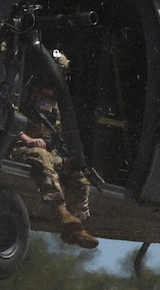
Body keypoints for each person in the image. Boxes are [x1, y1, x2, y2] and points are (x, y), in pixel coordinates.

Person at [11, 53, 98, 250]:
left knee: (79, 174)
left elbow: (58, 134)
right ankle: (61, 215)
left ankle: (76, 226)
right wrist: (28, 139)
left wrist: (67, 159)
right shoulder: (25, 93)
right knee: (43, 158)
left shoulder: (58, 105)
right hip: (19, 147)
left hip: (49, 152)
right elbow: (7, 120)